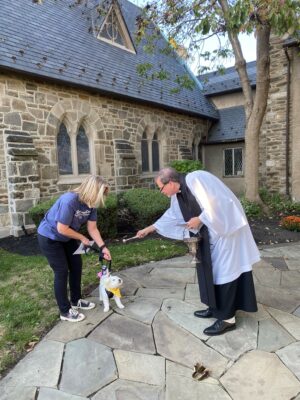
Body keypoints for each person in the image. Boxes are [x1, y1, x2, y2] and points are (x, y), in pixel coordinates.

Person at [136, 167, 260, 336]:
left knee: (224, 273)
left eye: (161, 188)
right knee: (210, 271)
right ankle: (215, 307)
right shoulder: (177, 194)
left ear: (170, 182)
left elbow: (218, 202)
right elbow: (173, 215)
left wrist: (200, 219)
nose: (161, 192)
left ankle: (227, 319)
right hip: (210, 235)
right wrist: (150, 228)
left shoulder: (196, 179)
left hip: (227, 234)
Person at [37, 175, 111, 322]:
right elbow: (61, 228)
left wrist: (103, 247)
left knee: (76, 266)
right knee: (62, 271)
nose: (102, 197)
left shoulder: (91, 205)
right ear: (92, 191)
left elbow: (93, 229)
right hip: (50, 237)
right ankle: (64, 311)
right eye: (101, 194)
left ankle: (76, 301)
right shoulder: (69, 201)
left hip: (68, 236)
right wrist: (82, 238)